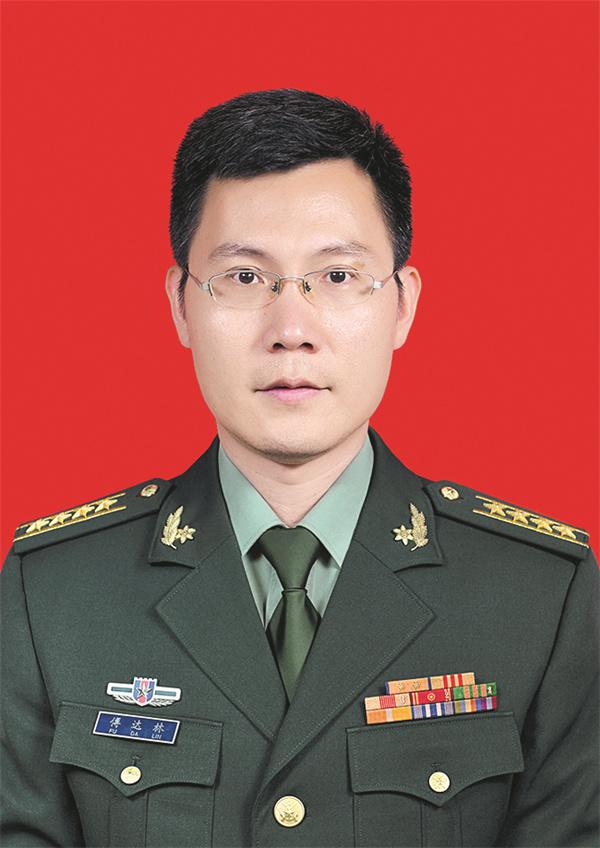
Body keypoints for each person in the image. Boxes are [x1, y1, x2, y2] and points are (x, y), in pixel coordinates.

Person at [1, 88, 598, 848]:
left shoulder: (540, 594)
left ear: (402, 305)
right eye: (245, 278)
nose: (291, 329)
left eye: (338, 276)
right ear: (182, 305)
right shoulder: (54, 592)